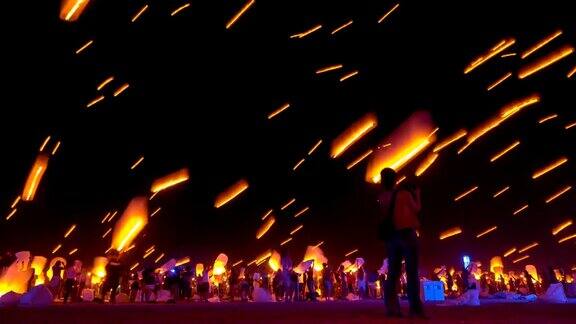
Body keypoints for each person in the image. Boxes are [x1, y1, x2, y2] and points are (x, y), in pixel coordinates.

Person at [377, 168, 425, 318]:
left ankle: (392, 308)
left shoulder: (382, 197)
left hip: (391, 237)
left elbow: (384, 216)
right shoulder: (403, 194)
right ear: (395, 180)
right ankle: (414, 309)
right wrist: (417, 195)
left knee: (393, 274)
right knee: (411, 272)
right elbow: (416, 209)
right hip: (407, 234)